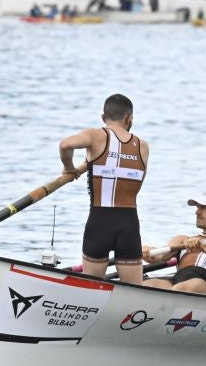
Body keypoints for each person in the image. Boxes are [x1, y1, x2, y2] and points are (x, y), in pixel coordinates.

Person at [58, 94, 149, 284]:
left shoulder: (95, 136)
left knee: (92, 288)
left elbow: (65, 144)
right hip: (129, 224)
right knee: (134, 291)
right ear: (129, 118)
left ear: (103, 118)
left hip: (99, 222)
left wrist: (69, 168)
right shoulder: (142, 146)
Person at [142, 189, 206, 294]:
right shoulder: (183, 239)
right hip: (176, 282)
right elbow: (158, 256)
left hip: (205, 286)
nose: (197, 212)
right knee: (149, 284)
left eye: (204, 207)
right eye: (197, 207)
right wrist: (147, 251)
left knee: (191, 285)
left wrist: (203, 247)